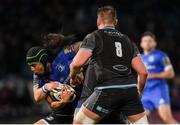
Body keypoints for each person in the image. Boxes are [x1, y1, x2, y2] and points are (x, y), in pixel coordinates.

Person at [70, 6, 148, 124]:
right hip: (130, 91)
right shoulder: (128, 40)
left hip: (107, 91)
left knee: (78, 123)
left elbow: (76, 64)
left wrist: (73, 76)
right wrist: (138, 93)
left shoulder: (94, 36)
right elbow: (143, 73)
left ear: (98, 21)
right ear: (115, 22)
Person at [26, 33, 83, 124]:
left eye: (34, 65)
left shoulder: (63, 56)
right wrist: (63, 101)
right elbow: (52, 105)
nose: (32, 69)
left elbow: (83, 44)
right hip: (63, 113)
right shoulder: (40, 78)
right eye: (30, 66)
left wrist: (79, 67)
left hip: (83, 106)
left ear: (43, 60)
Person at [140, 31, 178, 124]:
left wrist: (152, 75)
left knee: (166, 118)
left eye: (150, 40)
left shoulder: (162, 56)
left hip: (158, 91)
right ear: (141, 44)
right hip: (145, 93)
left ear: (154, 43)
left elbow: (171, 73)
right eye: (145, 41)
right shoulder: (139, 58)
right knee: (140, 119)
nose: (147, 42)